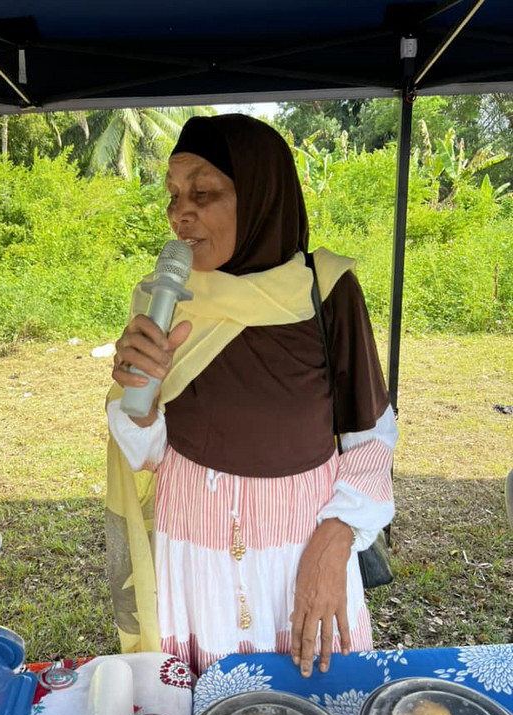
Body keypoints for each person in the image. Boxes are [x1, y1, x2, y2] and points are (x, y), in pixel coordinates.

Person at [105, 114, 397, 678]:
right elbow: (147, 452)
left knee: (314, 707)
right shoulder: (162, 298)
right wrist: (138, 397)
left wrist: (337, 538)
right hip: (195, 553)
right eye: (173, 195)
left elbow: (372, 436)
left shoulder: (326, 290)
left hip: (300, 551)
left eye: (203, 193)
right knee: (207, 713)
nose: (179, 213)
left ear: (263, 195)